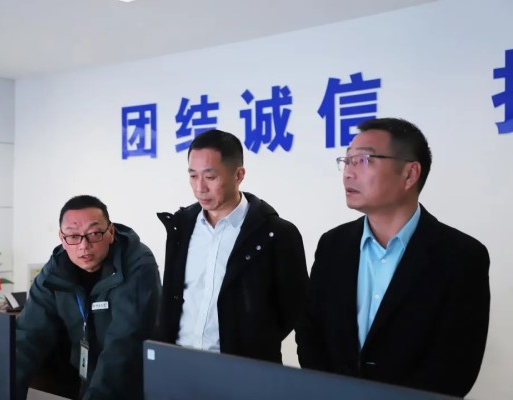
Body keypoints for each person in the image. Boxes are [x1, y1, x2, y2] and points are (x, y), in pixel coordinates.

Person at [295, 118, 490, 397]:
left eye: (363, 160)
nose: (348, 173)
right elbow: (310, 331)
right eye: (346, 161)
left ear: (410, 174)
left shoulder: (461, 256)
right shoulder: (333, 245)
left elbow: (456, 365)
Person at [156, 129, 308, 363]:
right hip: (179, 363)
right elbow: (172, 298)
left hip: (242, 370)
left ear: (238, 175)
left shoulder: (276, 234)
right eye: (193, 176)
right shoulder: (181, 227)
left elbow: (294, 310)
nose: (200, 187)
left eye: (210, 177)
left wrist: (253, 343)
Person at [16, 195, 161, 400]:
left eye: (93, 234)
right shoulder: (55, 269)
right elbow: (28, 335)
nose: (83, 246)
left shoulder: (137, 264)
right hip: (83, 378)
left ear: (111, 232)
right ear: (62, 238)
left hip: (133, 385)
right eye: (73, 236)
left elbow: (124, 344)